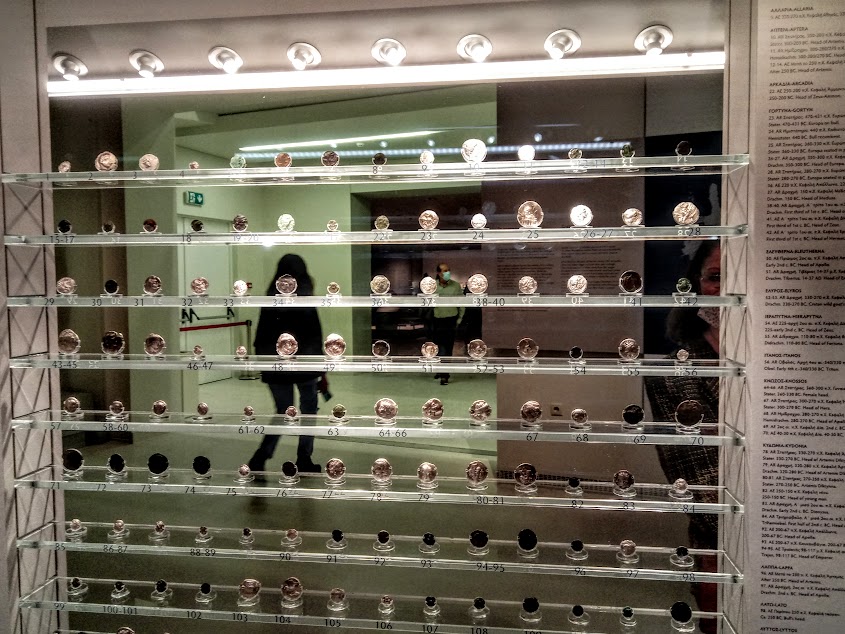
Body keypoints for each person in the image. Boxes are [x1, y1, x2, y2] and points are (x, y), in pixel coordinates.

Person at [645, 240, 720, 630]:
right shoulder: (673, 374)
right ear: (696, 284)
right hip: (725, 546)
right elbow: (705, 490)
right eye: (715, 277)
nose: (727, 289)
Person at [248, 254, 325, 473]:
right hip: (304, 365)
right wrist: (322, 370)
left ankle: (261, 456)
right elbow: (314, 334)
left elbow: (262, 334)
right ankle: (304, 457)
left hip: (277, 365)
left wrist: (265, 364)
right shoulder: (304, 294)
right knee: (308, 410)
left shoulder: (271, 296)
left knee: (283, 410)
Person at [431, 262, 464, 385]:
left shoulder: (455, 286)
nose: (447, 273)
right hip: (437, 320)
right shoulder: (432, 286)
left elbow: (462, 303)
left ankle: (445, 375)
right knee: (438, 347)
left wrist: (459, 319)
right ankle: (440, 369)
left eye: (448, 270)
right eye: (444, 271)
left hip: (451, 320)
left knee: (447, 347)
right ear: (439, 273)